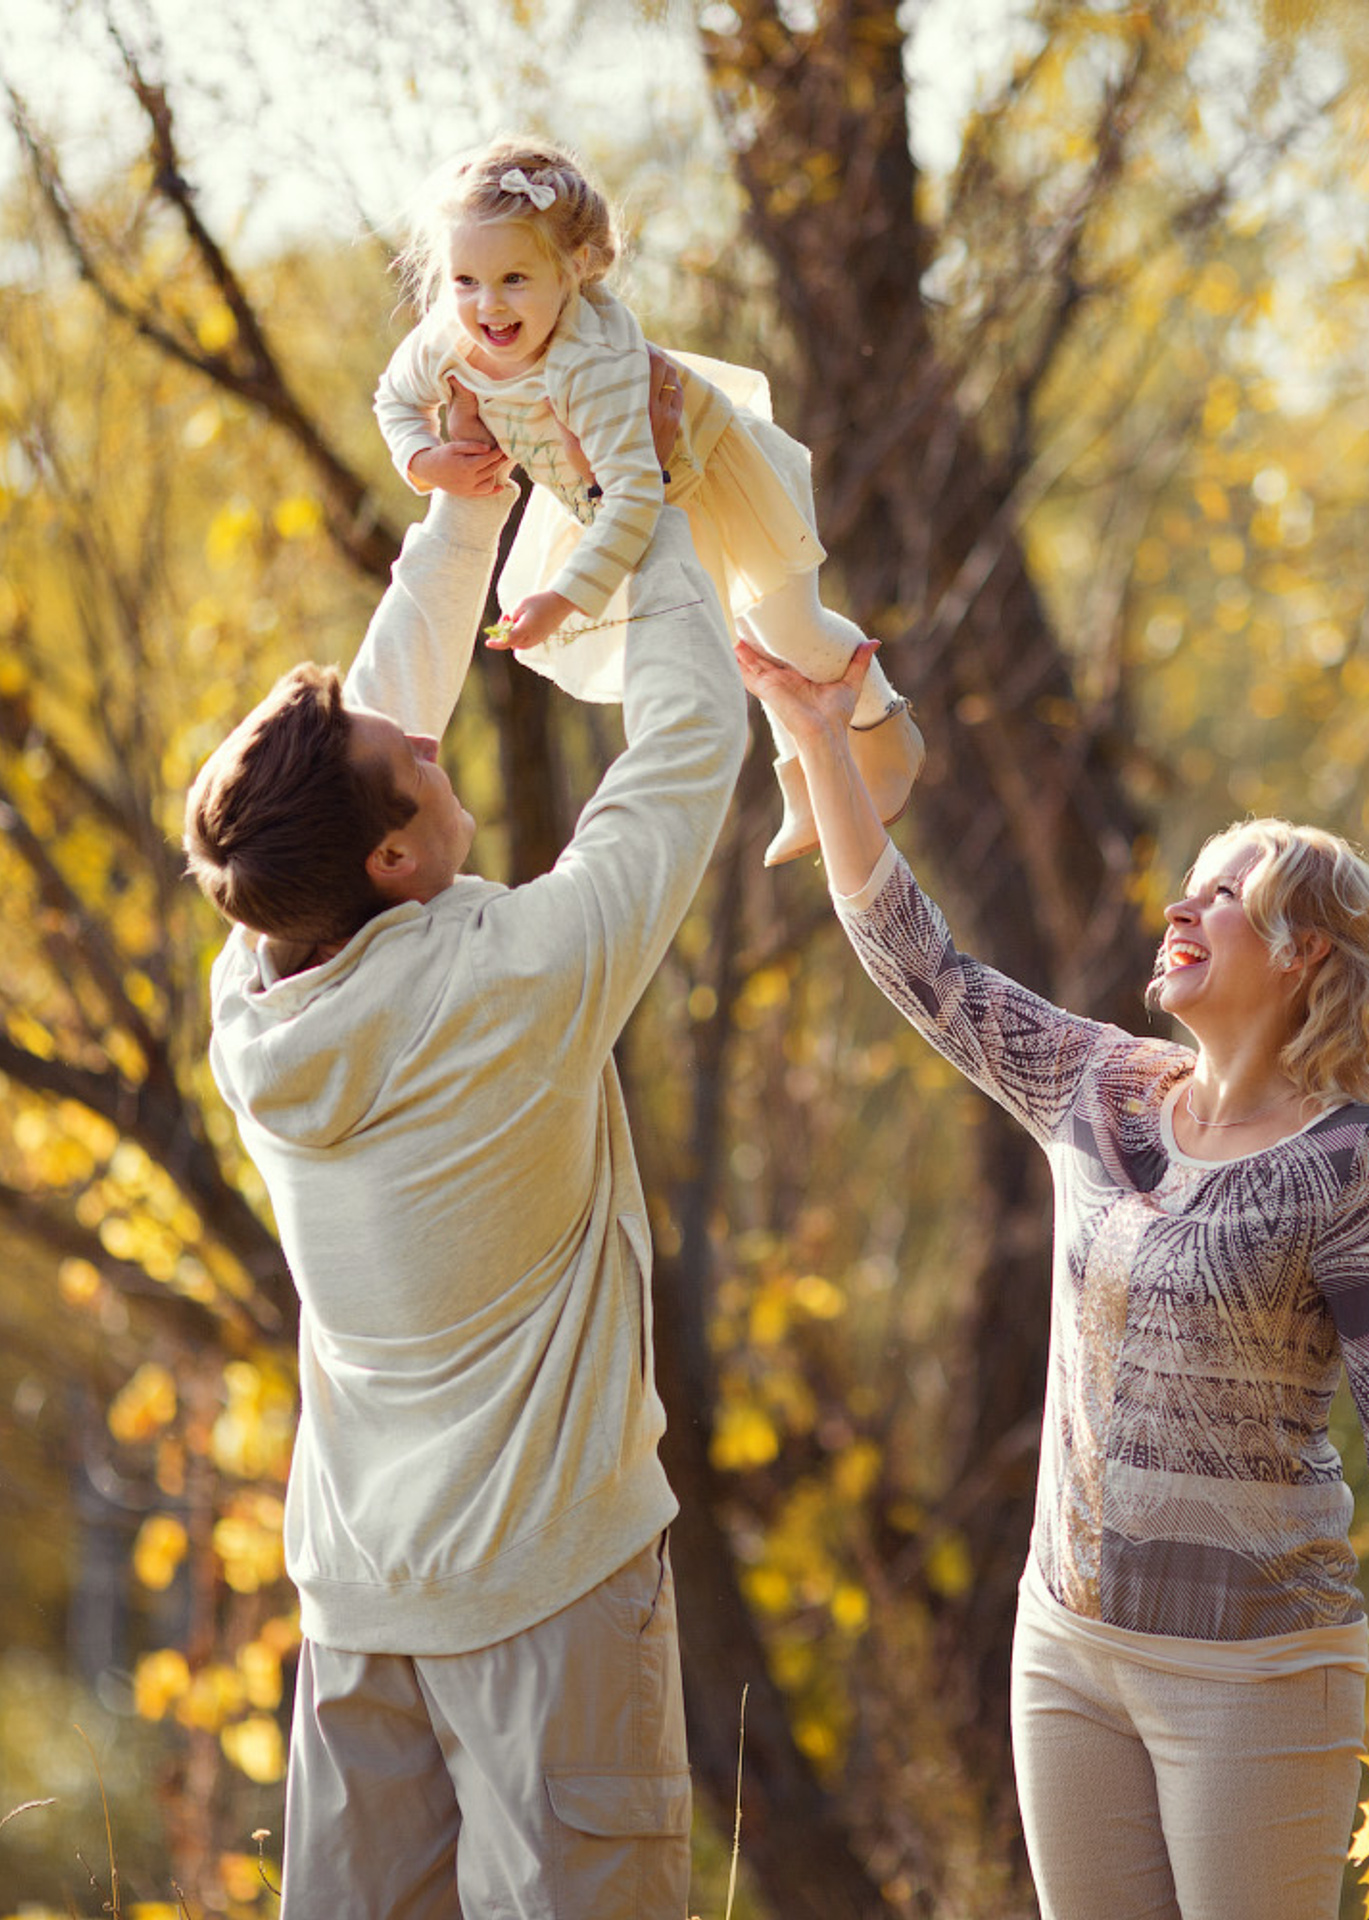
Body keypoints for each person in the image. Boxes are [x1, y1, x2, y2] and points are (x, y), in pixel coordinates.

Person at [735, 638, 1369, 1920]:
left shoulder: (1356, 1162)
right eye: (1187, 889)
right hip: (1068, 1653)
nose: (1180, 909)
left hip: (1255, 1674)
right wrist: (820, 736)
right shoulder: (1099, 1090)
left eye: (1222, 894)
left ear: (1303, 950)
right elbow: (926, 965)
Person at [181, 369, 743, 1918]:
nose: (438, 741)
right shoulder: (520, 984)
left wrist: (469, 501)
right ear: (391, 856)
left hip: (362, 1605)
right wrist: (655, 502)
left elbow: (376, 721)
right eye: (415, 761)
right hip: (550, 1597)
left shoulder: (258, 994)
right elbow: (690, 742)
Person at [374, 132, 921, 865]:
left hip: (706, 479)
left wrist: (563, 600)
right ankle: (809, 781)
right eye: (465, 280)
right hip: (608, 495)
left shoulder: (586, 367)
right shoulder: (449, 333)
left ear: (570, 272)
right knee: (726, 639)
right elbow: (395, 397)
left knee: (786, 626)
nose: (487, 305)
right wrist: (427, 459)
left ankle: (886, 728)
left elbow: (636, 498)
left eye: (514, 280)